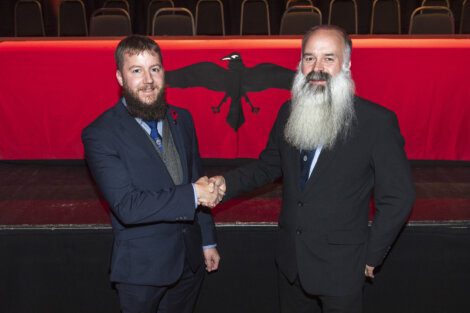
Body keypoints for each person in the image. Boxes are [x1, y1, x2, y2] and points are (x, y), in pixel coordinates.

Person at [210, 25, 415, 313]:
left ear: (347, 64)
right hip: (291, 264)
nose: (317, 68)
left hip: (343, 268)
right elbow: (268, 166)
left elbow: (398, 196)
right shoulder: (288, 113)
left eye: (328, 58)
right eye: (309, 58)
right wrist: (224, 183)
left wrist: (372, 256)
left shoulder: (376, 122)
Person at [82, 35, 221, 313]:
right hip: (142, 272)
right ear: (120, 77)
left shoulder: (182, 119)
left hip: (190, 262)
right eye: (137, 70)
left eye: (155, 69)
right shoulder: (100, 134)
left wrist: (207, 241)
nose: (148, 80)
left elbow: (197, 177)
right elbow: (128, 207)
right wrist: (194, 194)